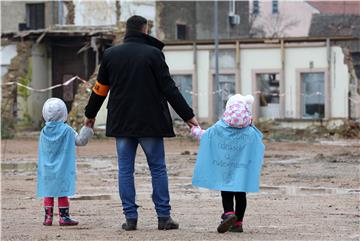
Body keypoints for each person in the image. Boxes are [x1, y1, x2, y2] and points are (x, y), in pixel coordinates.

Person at [84, 15, 199, 231]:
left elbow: (100, 89)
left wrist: (90, 114)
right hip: (151, 122)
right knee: (157, 168)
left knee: (125, 170)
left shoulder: (110, 54)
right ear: (145, 30)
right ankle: (164, 217)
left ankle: (130, 219)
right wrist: (189, 117)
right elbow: (169, 89)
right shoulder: (154, 54)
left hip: (121, 121)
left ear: (127, 31)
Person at [191, 94, 265, 233]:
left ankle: (229, 213)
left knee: (226, 191)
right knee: (241, 195)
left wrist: (194, 129)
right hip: (242, 169)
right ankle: (238, 223)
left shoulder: (220, 127)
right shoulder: (250, 131)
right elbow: (259, 143)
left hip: (225, 168)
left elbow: (205, 136)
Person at [37, 98, 93, 226]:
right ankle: (64, 217)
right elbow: (80, 141)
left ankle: (48, 217)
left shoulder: (44, 131)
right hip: (62, 167)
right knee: (62, 192)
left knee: (48, 191)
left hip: (47, 167)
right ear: (64, 113)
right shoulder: (67, 130)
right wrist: (87, 128)